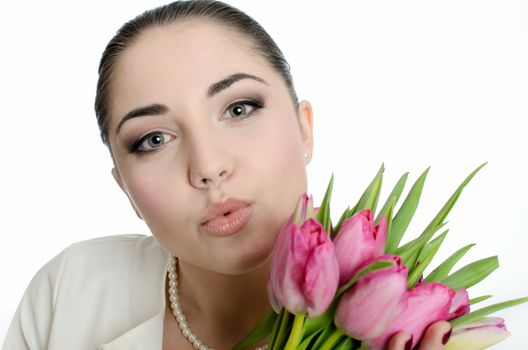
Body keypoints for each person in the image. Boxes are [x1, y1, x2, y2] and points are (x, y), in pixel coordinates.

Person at [3, 1, 452, 349]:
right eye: (153, 140)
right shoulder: (68, 291)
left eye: (239, 109)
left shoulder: (405, 322)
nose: (208, 167)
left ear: (304, 129)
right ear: (126, 189)